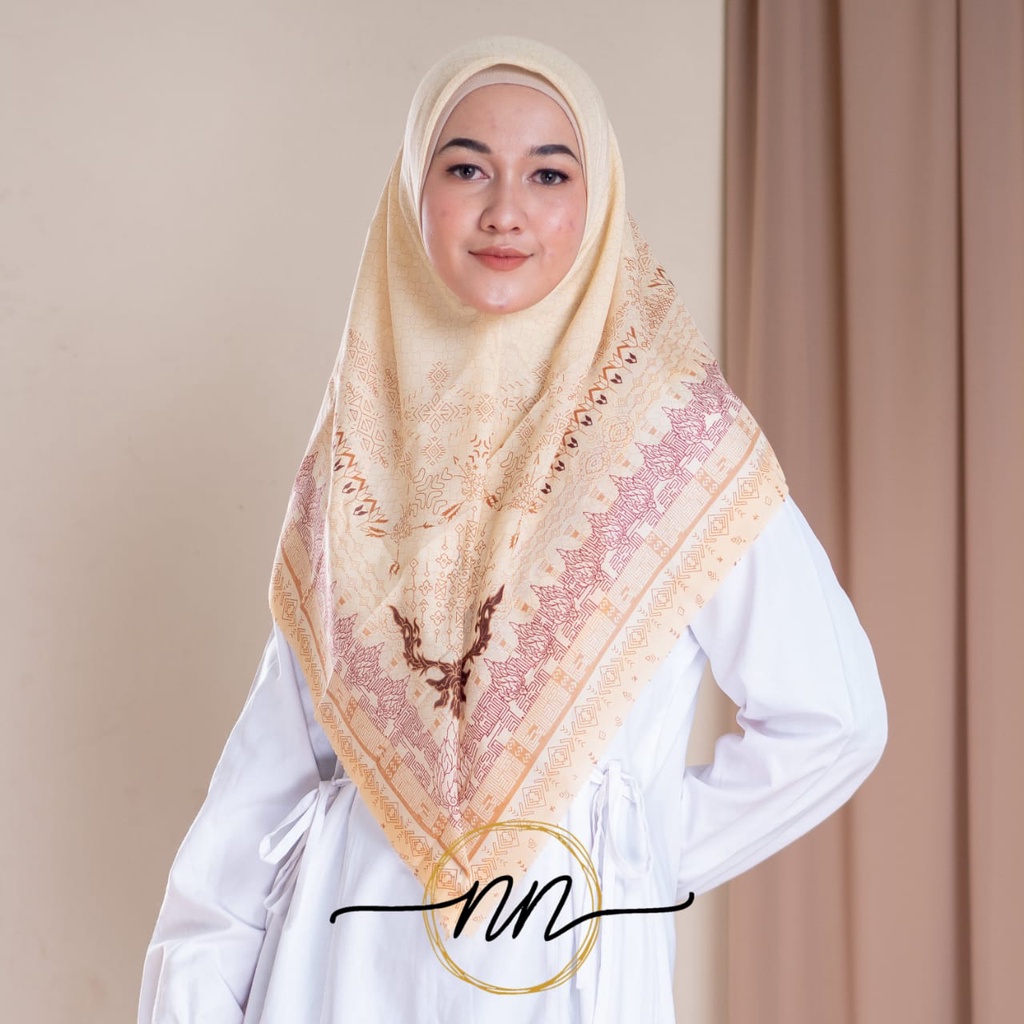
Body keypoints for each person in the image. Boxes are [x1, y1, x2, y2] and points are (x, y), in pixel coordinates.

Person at [139, 36, 887, 1024]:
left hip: (555, 972)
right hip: (338, 961)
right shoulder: (361, 457)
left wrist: (628, 859)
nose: (504, 209)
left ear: (596, 200)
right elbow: (266, 785)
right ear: (414, 194)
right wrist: (191, 998)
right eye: (465, 169)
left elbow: (833, 719)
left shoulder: (677, 443)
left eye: (548, 173)